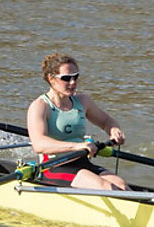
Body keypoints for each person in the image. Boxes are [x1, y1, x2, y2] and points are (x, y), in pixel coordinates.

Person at [26, 53, 129, 191]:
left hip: (82, 162)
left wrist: (114, 129)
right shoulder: (40, 106)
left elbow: (106, 121)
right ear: (51, 79)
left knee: (121, 185)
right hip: (54, 166)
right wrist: (77, 146)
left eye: (76, 77)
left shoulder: (82, 101)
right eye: (66, 78)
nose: (73, 82)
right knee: (106, 187)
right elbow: (39, 145)